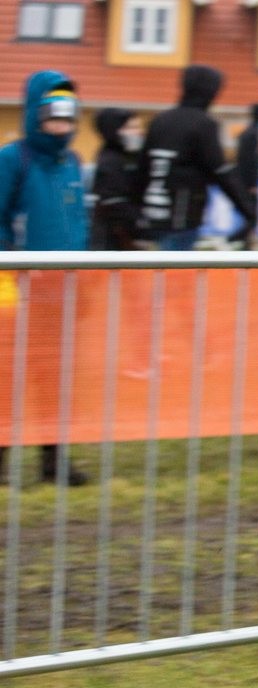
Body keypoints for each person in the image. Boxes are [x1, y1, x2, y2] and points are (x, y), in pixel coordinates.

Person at [0, 70, 90, 486]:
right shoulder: (12, 158)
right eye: (53, 114)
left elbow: (77, 222)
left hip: (62, 290)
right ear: (36, 114)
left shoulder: (71, 162)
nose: (62, 123)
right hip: (16, 288)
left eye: (69, 114)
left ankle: (53, 464)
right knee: (7, 376)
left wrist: (84, 276)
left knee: (54, 377)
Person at [136, 64, 257, 250]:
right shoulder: (203, 124)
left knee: (154, 273)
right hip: (181, 216)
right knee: (176, 275)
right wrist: (249, 212)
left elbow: (142, 168)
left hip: (151, 215)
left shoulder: (160, 120)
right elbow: (220, 171)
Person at [89, 107, 144, 251]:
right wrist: (141, 224)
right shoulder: (110, 160)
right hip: (112, 241)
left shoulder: (133, 157)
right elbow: (114, 204)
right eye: (130, 127)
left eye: (138, 127)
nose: (137, 132)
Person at [235, 102, 258, 209]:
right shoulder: (253, 134)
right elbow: (249, 159)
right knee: (252, 213)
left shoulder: (250, 132)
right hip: (248, 182)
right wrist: (252, 184)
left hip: (245, 181)